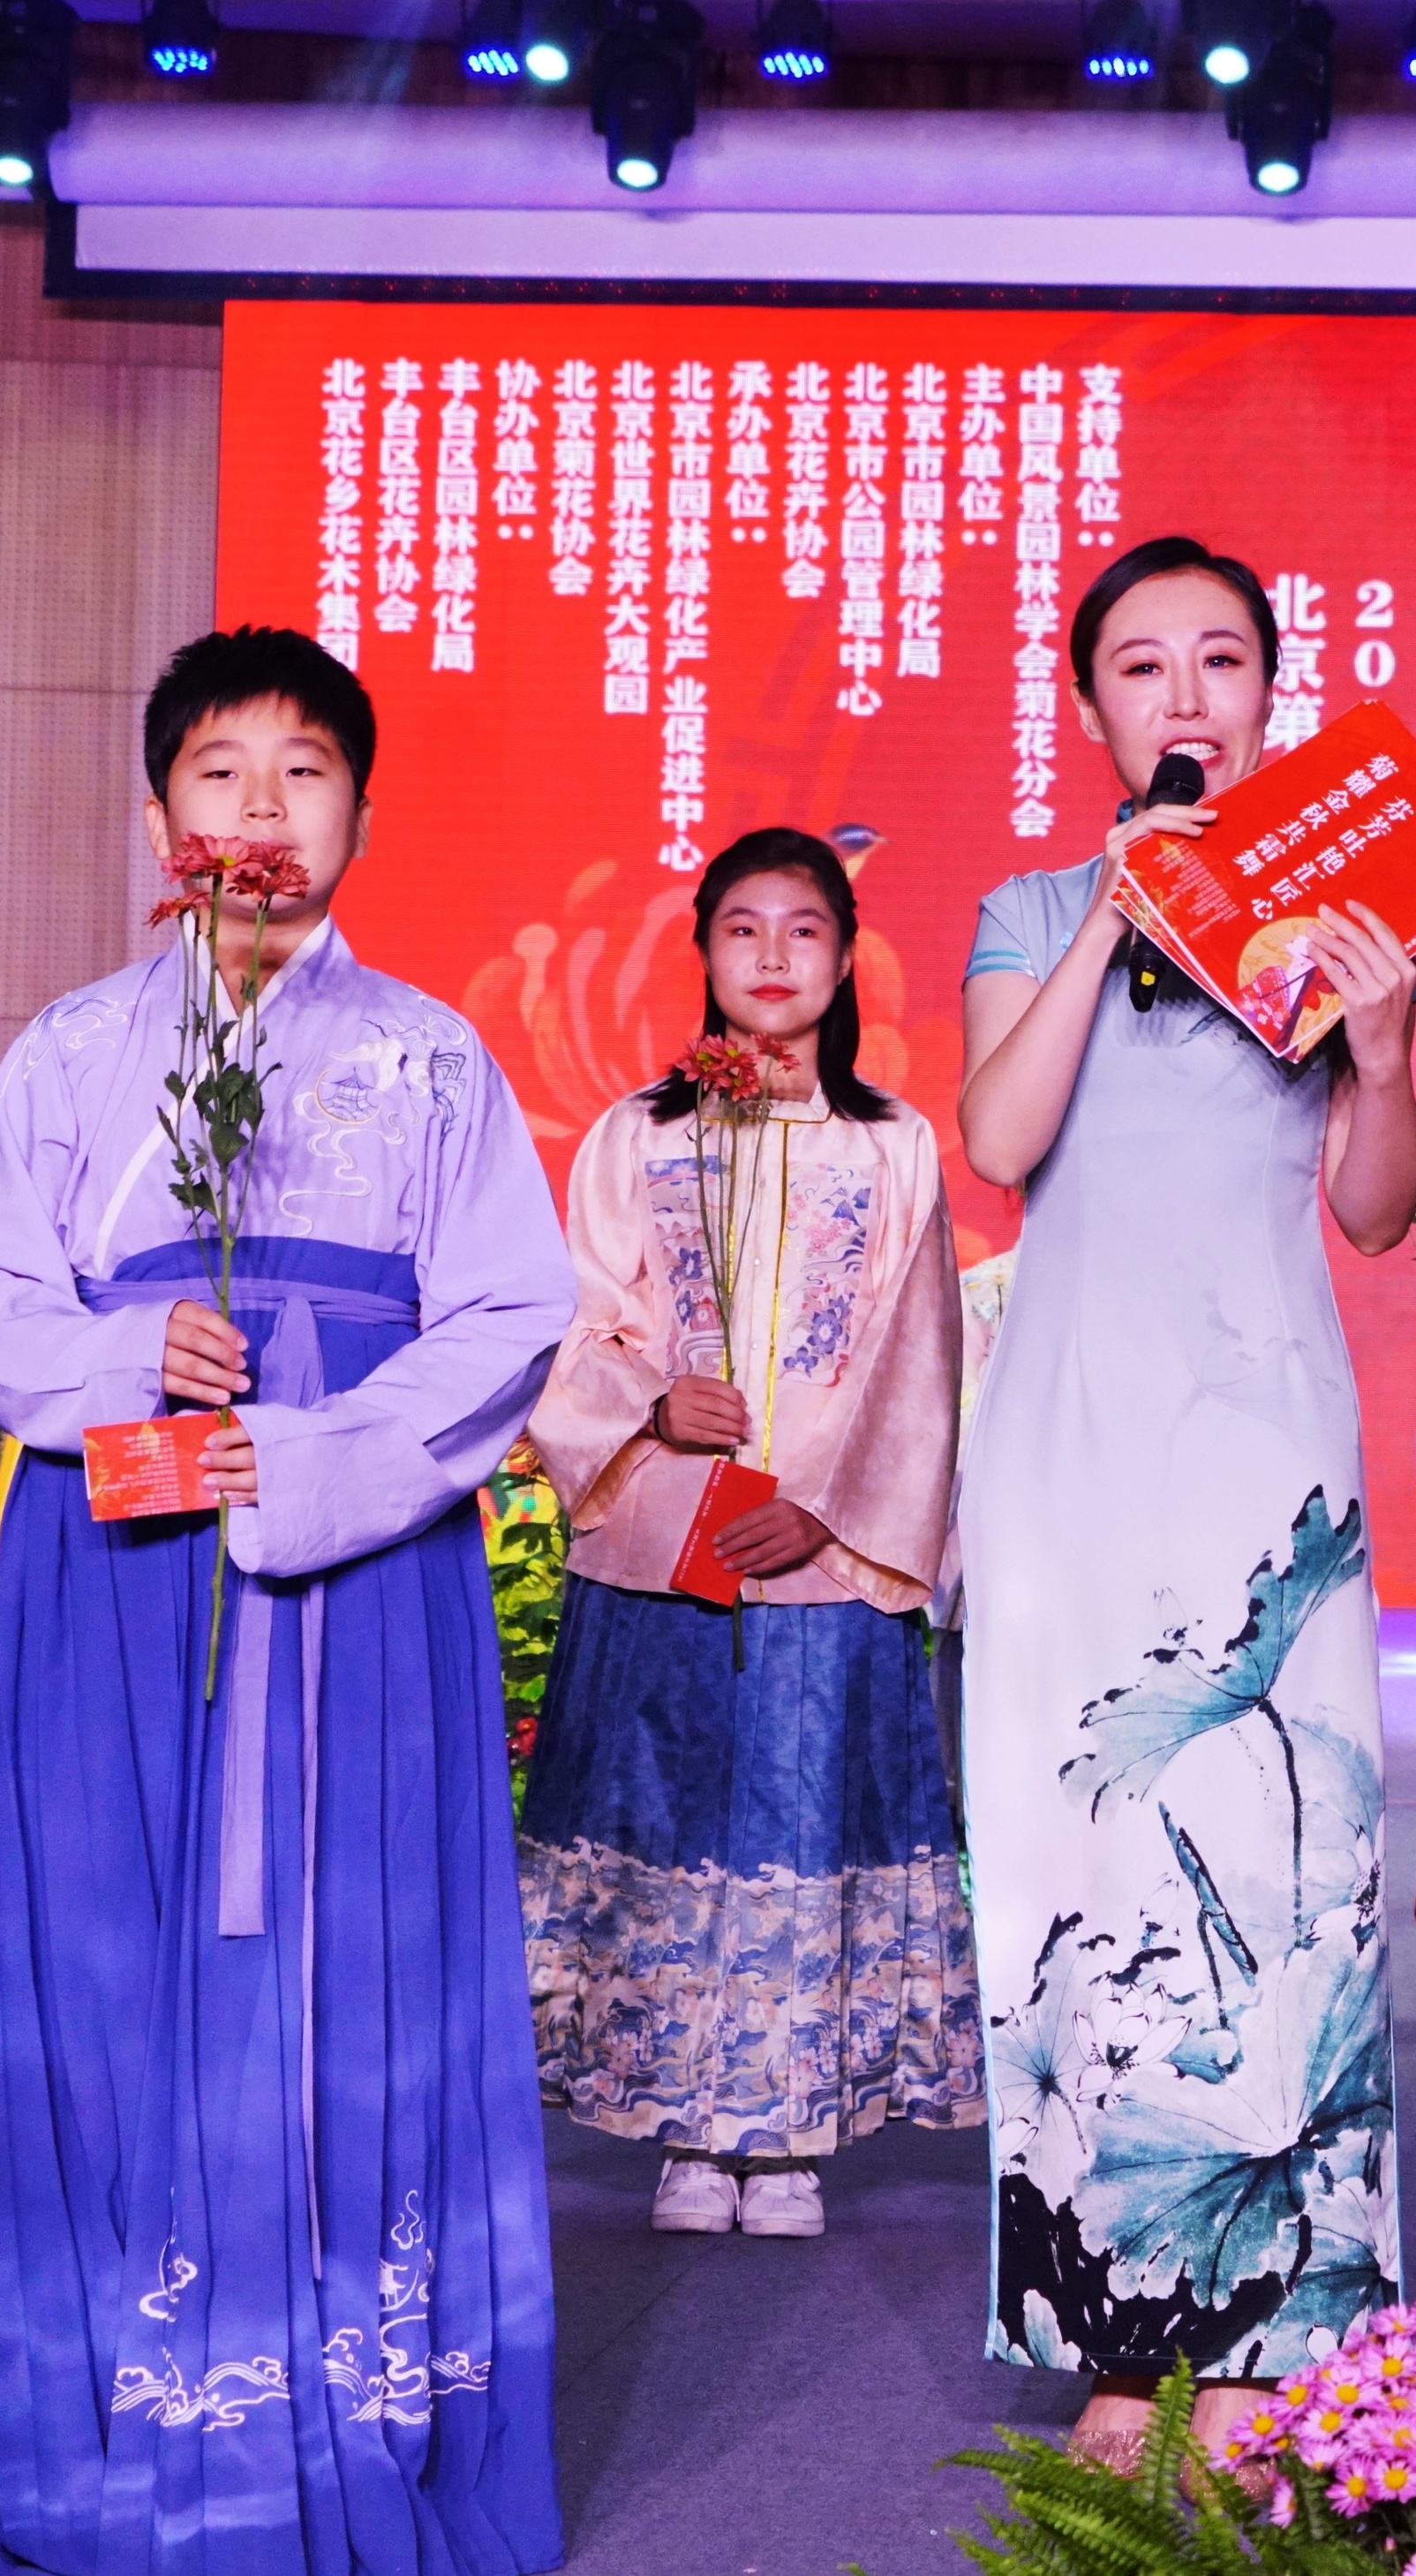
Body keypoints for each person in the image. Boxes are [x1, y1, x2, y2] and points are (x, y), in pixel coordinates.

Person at [0, 628, 568, 2576]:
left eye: (304, 771)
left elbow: (509, 1312)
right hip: (116, 1564)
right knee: (112, 1957)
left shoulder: (432, 1053)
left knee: (353, 1963)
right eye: (219, 769)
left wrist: (321, 1458)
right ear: (158, 818)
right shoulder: (72, 1049)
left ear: (359, 814)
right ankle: (110, 2430)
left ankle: (349, 2418)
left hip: (361, 1569)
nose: (261, 807)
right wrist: (124, 1358)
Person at [954, 535, 1416, 2463]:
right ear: (1091, 708)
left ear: (1268, 693)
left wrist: (1383, 1047)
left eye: (1220, 658)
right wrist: (1114, 909)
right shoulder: (1028, 905)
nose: (1183, 695)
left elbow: (1377, 1208)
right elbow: (1000, 1135)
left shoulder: (1343, 913)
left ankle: (1270, 2331)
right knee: (1077, 1864)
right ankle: (1117, 2335)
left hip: (1258, 1447)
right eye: (1140, 664)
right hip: (1068, 1435)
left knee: (1277, 1857)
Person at [516, 826, 979, 2242]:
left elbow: (918, 1355)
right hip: (669, 1540)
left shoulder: (893, 1145)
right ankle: (681, 2128)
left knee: (803, 1824)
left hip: (823, 1555)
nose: (773, 956)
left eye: (804, 929)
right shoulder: (636, 1135)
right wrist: (652, 1404)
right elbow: (576, 1316)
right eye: (742, 928)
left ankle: (788, 2135)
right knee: (667, 1823)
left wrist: (823, 1502)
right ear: (703, 950)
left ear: (846, 956)